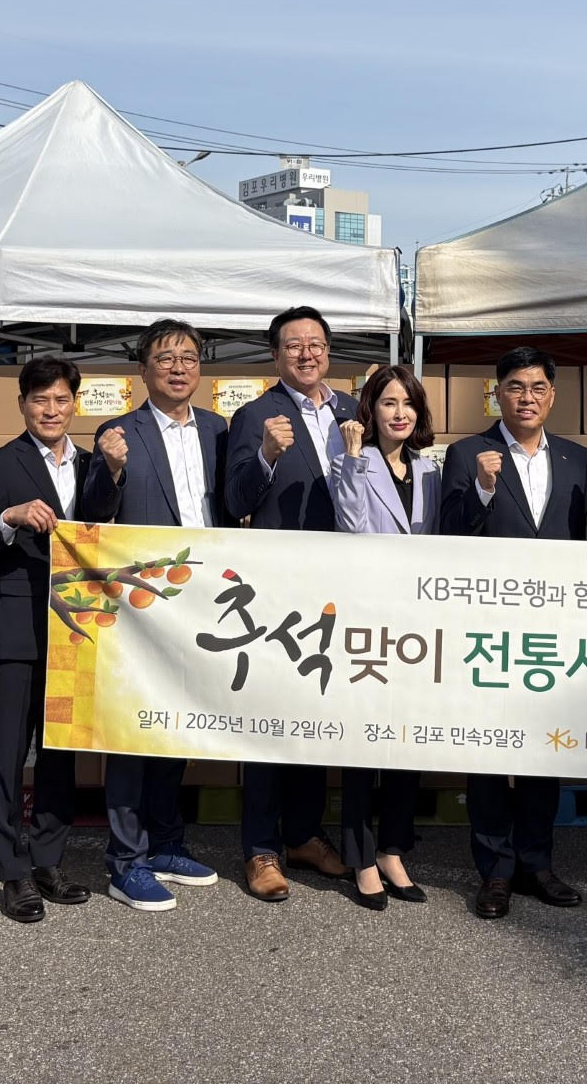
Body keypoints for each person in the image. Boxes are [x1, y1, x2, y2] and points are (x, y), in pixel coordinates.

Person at [439, 345, 587, 921]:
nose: (527, 398)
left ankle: (536, 862)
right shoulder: (466, 454)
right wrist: (481, 489)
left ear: (552, 395)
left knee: (544, 748)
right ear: (497, 393)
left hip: (552, 630)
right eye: (515, 387)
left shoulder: (577, 459)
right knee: (488, 749)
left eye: (537, 388)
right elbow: (449, 534)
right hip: (488, 628)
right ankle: (495, 870)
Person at [0, 357, 120, 923]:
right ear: (22, 405)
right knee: (8, 756)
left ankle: (49, 860)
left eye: (60, 400)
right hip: (16, 628)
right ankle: (12, 871)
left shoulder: (94, 463)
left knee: (59, 753)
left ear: (74, 404)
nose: (51, 410)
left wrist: (114, 473)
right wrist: (8, 517)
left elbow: (107, 532)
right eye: (40, 400)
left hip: (76, 629)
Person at [80, 318, 227, 912]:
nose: (178, 367)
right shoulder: (118, 432)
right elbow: (93, 515)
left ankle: (167, 844)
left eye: (188, 357)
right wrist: (111, 469)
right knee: (132, 728)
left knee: (176, 724)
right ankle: (125, 861)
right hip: (140, 604)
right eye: (165, 358)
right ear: (143, 369)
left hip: (202, 599)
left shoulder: (218, 429)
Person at [222, 306, 355, 901]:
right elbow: (234, 501)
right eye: (294, 345)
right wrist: (267, 456)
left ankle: (303, 833)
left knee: (318, 714)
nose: (307, 354)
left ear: (329, 350)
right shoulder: (255, 415)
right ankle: (260, 848)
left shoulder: (353, 409)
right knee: (270, 717)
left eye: (316, 343)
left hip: (343, 586)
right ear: (275, 355)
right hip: (279, 590)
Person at [327, 363, 441, 912]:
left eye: (409, 403)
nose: (400, 413)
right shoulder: (352, 461)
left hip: (416, 620)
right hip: (367, 617)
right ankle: (361, 856)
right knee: (363, 743)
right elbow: (350, 529)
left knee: (407, 739)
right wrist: (351, 457)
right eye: (389, 402)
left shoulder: (429, 470)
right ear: (370, 409)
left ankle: (393, 849)